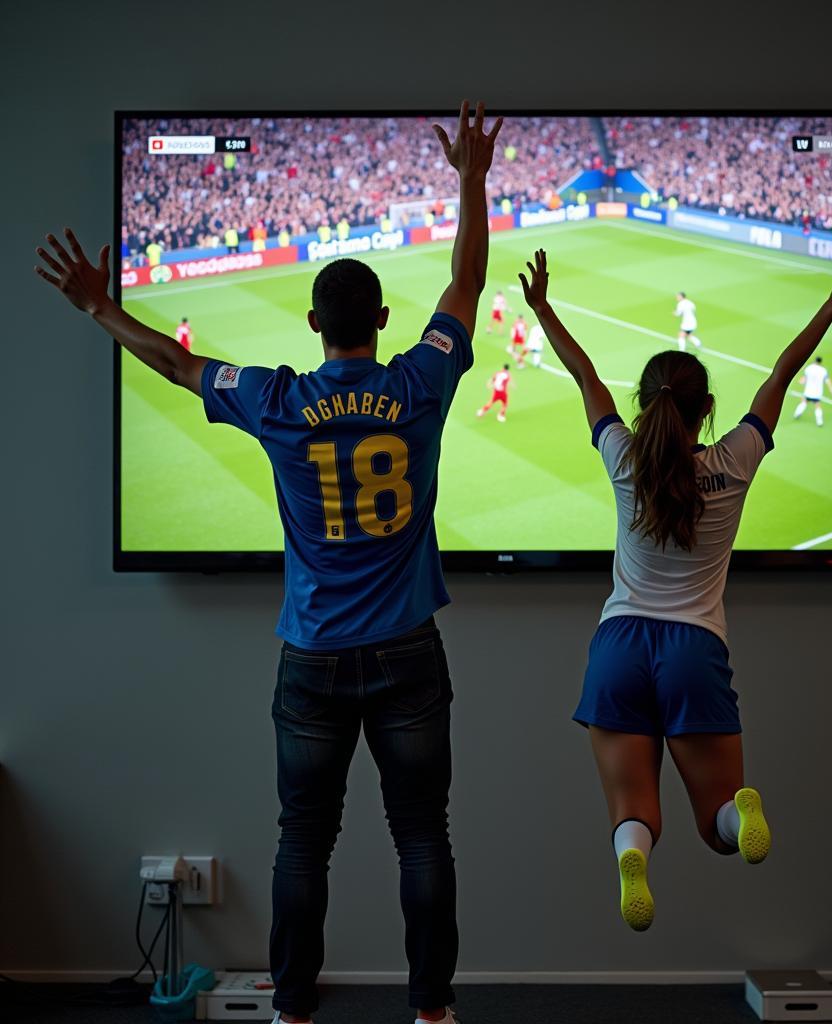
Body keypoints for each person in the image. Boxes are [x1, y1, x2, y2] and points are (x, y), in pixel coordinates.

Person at [35, 99, 504, 1024]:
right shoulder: (420, 382)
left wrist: (100, 307)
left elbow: (176, 368)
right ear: (379, 318)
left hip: (313, 657)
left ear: (310, 322)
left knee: (302, 845)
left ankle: (290, 1009)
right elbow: (463, 288)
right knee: (423, 841)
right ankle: (433, 1010)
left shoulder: (277, 400)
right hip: (410, 649)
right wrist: (472, 177)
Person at [518, 247, 832, 932]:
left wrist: (542, 308)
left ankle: (633, 858)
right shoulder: (736, 460)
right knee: (714, 827)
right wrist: (831, 303)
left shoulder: (622, 457)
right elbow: (781, 373)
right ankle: (736, 813)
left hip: (618, 645)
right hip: (694, 649)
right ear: (707, 408)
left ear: (642, 405)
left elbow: (584, 372)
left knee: (634, 809)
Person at [793, 356, 832, 426]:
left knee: (804, 402)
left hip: (808, 391)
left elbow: (803, 380)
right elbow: (828, 381)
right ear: (820, 362)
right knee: (817, 406)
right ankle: (819, 421)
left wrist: (801, 381)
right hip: (817, 393)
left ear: (815, 361)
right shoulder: (823, 370)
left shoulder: (809, 368)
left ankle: (797, 414)